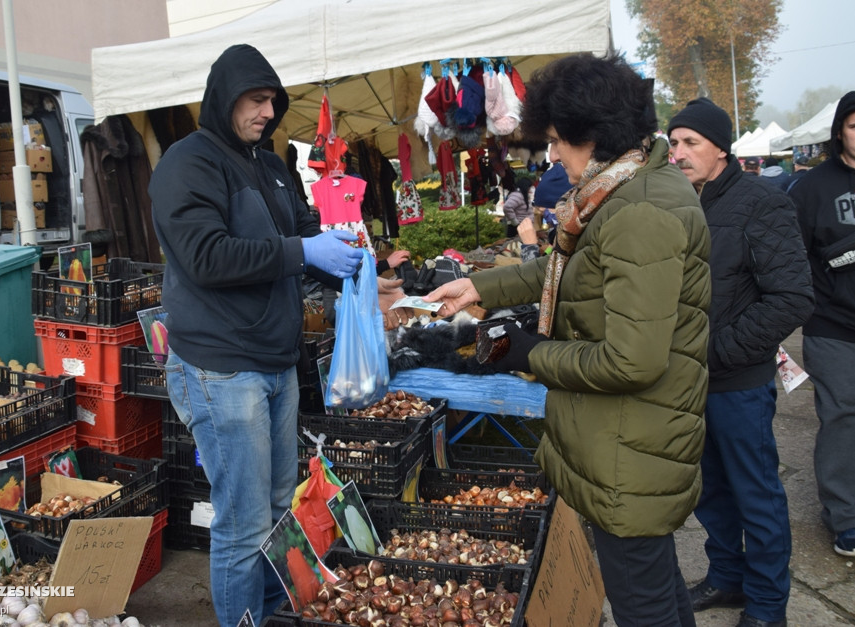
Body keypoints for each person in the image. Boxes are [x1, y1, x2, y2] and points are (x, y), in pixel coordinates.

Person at [424, 52, 711, 627]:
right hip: (625, 439)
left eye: (558, 141)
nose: (553, 154)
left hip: (632, 444)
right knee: (654, 585)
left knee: (643, 603)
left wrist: (528, 352)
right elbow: (561, 269)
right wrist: (475, 285)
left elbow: (632, 361)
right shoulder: (619, 194)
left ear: (594, 135)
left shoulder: (641, 211)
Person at [147, 44, 408, 627]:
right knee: (241, 523)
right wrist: (301, 250)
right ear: (225, 97)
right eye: (256, 100)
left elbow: (305, 236)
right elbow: (206, 256)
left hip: (275, 359)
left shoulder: (268, 165)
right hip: (221, 367)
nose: (268, 112)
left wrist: (358, 274)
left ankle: (267, 612)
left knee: (272, 506)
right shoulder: (188, 164)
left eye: (273, 101)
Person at [668, 97, 813, 627]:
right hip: (688, 380)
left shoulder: (760, 203)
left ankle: (769, 604)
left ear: (721, 149)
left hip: (739, 380)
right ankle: (727, 576)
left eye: (691, 144)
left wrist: (721, 351)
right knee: (709, 488)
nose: (678, 153)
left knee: (757, 494)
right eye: (674, 143)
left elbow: (793, 297)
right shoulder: (680, 202)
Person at [788, 89, 855, 559]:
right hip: (834, 325)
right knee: (846, 415)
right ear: (840, 132)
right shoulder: (812, 187)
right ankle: (847, 516)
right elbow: (791, 255)